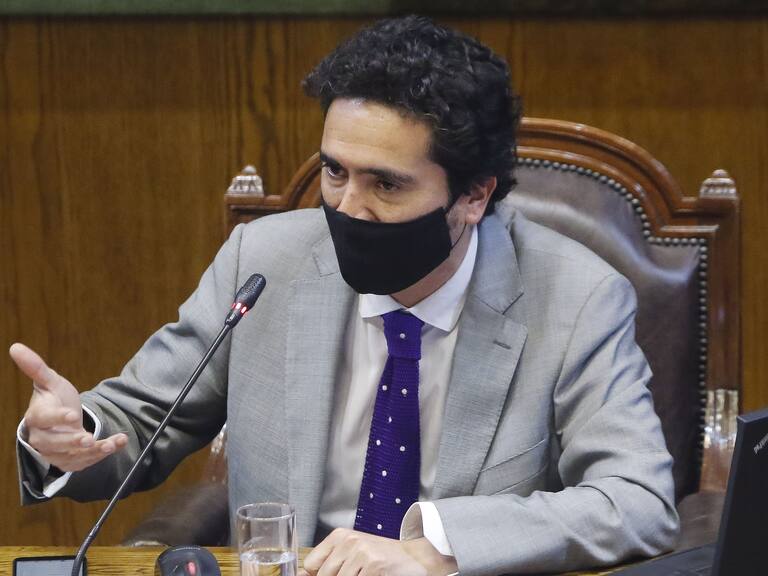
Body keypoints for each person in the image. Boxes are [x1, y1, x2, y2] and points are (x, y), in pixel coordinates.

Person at [11, 15, 679, 576]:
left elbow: (638, 501)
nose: (348, 208)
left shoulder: (576, 299)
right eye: (335, 171)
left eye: (385, 184)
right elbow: (141, 420)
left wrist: (437, 548)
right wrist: (71, 437)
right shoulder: (264, 262)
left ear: (474, 196)